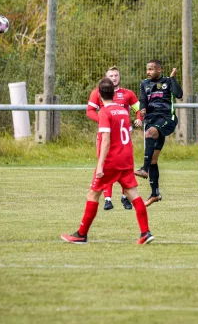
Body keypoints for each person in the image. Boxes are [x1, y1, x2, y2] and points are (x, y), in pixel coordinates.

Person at [62, 77, 154, 245]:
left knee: (93, 194)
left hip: (112, 161)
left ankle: (81, 234)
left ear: (99, 94)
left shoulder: (104, 112)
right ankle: (145, 232)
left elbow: (106, 140)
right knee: (133, 194)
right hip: (126, 158)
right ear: (113, 92)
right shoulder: (122, 111)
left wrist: (100, 165)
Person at [87, 66, 142, 211]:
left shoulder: (127, 93)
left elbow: (139, 109)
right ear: (106, 78)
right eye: (111, 75)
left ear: (119, 77)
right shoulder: (98, 93)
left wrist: (139, 118)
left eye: (116, 75)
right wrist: (102, 120)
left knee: (118, 165)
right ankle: (108, 199)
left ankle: (125, 198)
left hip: (123, 137)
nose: (114, 78)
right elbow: (90, 111)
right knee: (107, 164)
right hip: (105, 134)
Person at [134, 59, 183, 207]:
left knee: (149, 133)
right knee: (154, 159)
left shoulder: (167, 81)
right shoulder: (144, 84)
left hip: (167, 118)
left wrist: (173, 78)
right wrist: (142, 109)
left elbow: (179, 94)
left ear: (159, 70)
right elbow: (143, 100)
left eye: (151, 69)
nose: (148, 72)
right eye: (147, 69)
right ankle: (155, 193)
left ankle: (144, 168)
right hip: (151, 119)